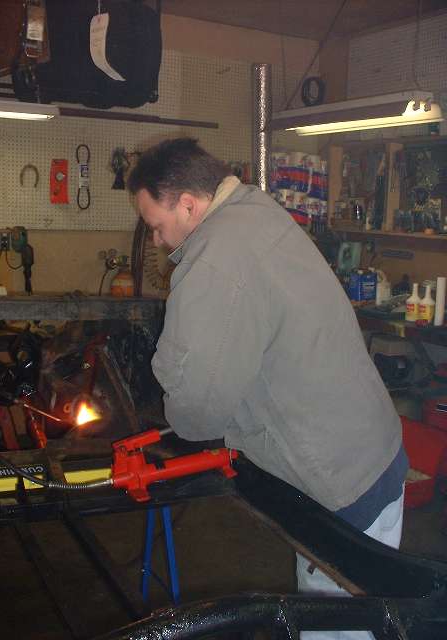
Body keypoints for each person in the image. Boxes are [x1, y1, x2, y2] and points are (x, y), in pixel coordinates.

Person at [128, 138, 408, 640]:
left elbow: (196, 416)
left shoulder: (214, 260)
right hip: (371, 454)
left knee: (336, 627)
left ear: (188, 204)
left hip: (338, 485)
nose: (156, 239)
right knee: (365, 618)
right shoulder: (255, 209)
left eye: (155, 224)